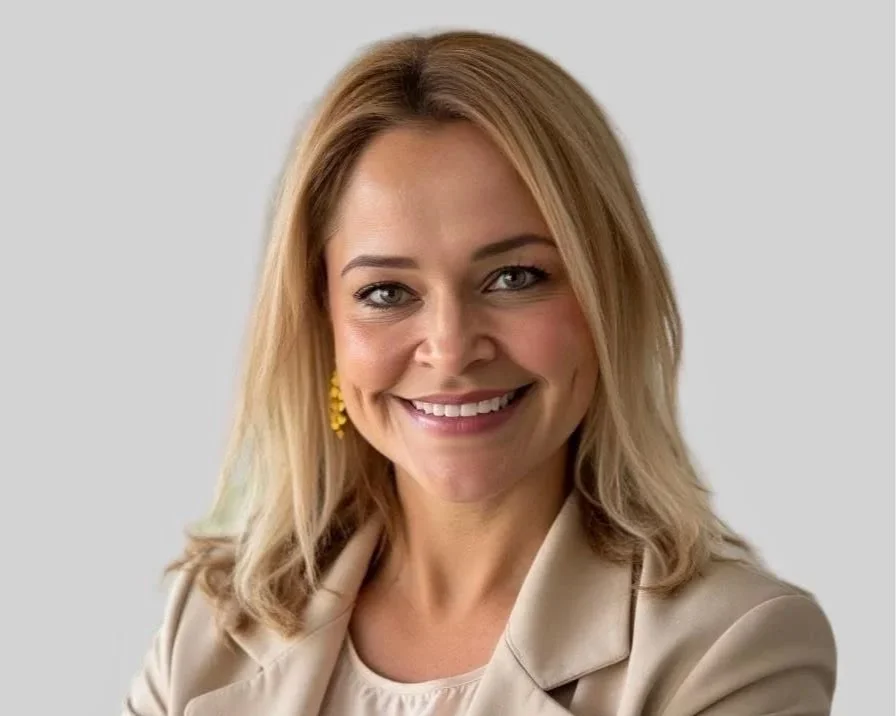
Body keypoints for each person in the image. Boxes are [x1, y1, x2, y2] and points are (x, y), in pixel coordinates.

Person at [121, 29, 837, 716]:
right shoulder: (208, 625)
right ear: (323, 326)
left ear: (607, 298)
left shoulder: (728, 647)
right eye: (386, 292)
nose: (452, 348)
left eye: (515, 277)